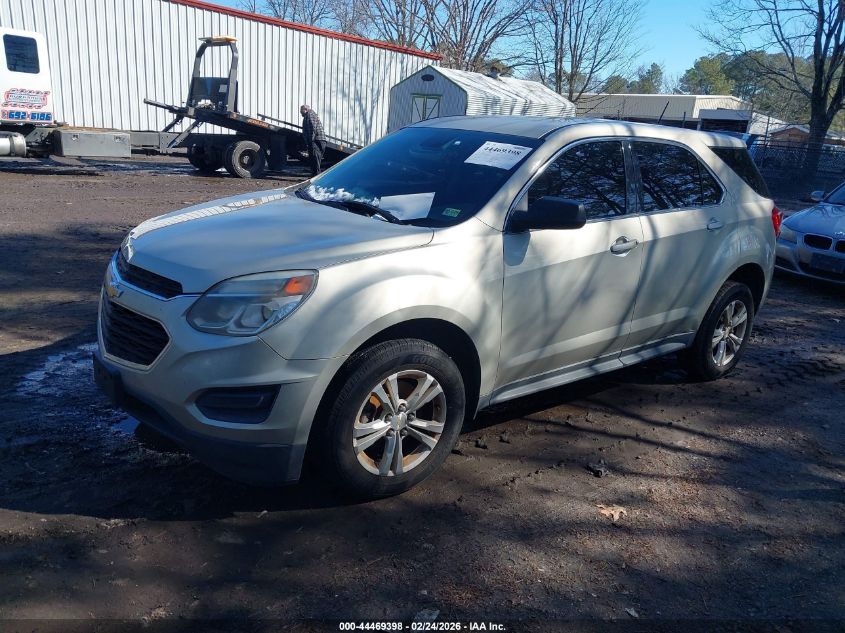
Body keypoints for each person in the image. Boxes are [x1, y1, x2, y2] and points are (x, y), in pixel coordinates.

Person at [300, 105, 327, 176]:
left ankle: (316, 177)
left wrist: (311, 141)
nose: (300, 113)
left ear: (305, 109)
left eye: (301, 111)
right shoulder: (309, 115)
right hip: (318, 140)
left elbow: (312, 128)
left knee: (315, 159)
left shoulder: (310, 114)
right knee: (314, 159)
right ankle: (314, 175)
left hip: (316, 140)